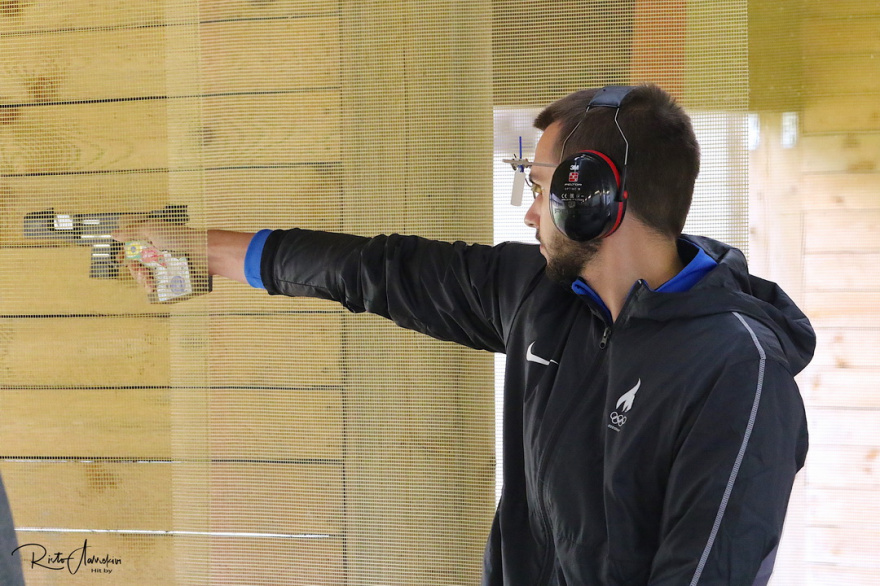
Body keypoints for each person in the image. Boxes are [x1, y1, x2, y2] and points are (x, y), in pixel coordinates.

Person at [117, 83, 814, 585]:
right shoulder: (541, 296)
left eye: (541, 189)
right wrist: (200, 252)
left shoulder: (738, 371)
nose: (530, 214)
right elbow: (377, 271)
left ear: (594, 198)